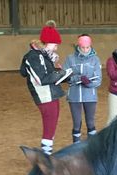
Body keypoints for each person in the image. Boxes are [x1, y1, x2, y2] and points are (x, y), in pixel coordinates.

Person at [20, 20, 72, 155]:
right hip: (44, 95)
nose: (56, 48)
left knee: (52, 124)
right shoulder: (34, 57)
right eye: (55, 44)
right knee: (49, 125)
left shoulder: (43, 56)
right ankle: (46, 154)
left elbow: (48, 75)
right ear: (46, 43)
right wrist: (60, 73)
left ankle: (47, 152)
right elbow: (42, 79)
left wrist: (67, 75)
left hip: (52, 93)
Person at [63, 34, 102, 143]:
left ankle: (92, 147)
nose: (85, 50)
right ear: (78, 46)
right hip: (74, 96)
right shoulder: (70, 58)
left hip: (90, 96)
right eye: (83, 47)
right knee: (76, 123)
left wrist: (89, 83)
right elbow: (65, 77)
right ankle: (76, 146)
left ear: (90, 46)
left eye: (87, 47)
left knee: (90, 122)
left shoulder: (95, 59)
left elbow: (98, 80)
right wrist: (78, 78)